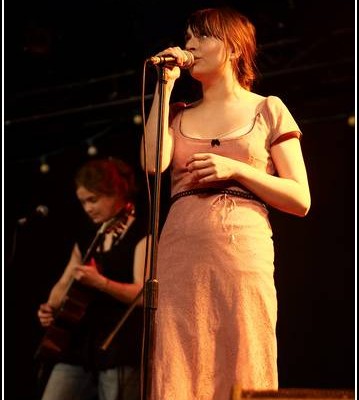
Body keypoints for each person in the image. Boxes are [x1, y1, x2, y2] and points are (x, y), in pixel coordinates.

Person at [141, 6, 311, 400]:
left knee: (244, 358)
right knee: (179, 363)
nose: (190, 45)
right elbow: (152, 164)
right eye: (188, 37)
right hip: (181, 257)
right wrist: (164, 90)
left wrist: (236, 170)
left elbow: (300, 199)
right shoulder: (178, 113)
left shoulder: (267, 108)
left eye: (202, 36)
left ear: (234, 48)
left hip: (241, 258)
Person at [37, 157, 149, 400]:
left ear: (117, 193)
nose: (88, 208)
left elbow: (143, 295)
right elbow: (64, 281)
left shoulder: (141, 234)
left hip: (118, 349)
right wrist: (51, 307)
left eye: (93, 200)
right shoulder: (89, 235)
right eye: (83, 202)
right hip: (78, 347)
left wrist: (101, 283)